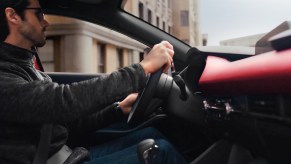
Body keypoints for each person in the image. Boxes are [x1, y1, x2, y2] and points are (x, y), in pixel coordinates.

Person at [0, 0, 187, 163]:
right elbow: (63, 102)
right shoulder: (4, 77)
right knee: (160, 153)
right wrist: (142, 68)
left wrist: (117, 109)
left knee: (150, 135)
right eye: (39, 13)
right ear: (13, 16)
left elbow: (67, 124)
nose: (46, 21)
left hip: (68, 155)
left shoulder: (26, 67)